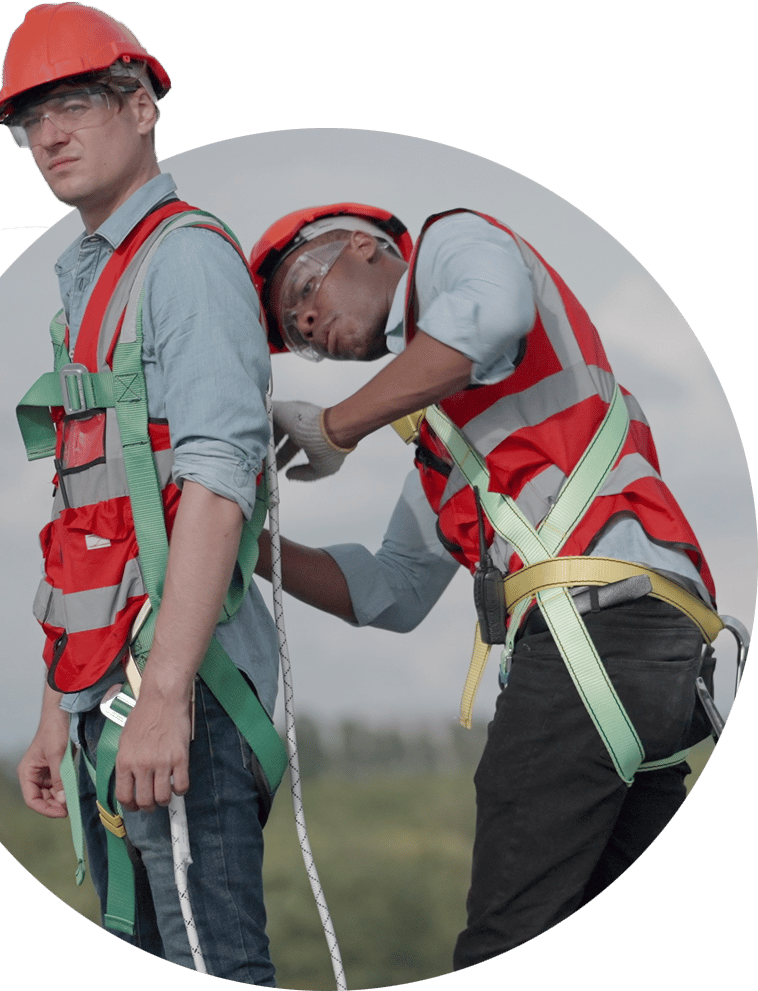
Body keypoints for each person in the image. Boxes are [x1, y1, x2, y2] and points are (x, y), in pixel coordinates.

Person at [249, 202, 719, 968]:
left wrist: (334, 426)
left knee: (505, 939)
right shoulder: (452, 448)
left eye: (305, 285)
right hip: (645, 651)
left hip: (598, 634)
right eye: (297, 332)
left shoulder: (455, 240)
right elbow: (390, 590)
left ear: (366, 248)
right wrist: (251, 544)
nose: (305, 318)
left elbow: (487, 318)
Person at [0, 4, 282, 982]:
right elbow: (90, 524)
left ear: (143, 105)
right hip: (107, 697)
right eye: (31, 120)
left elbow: (214, 482)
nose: (49, 136)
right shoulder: (88, 286)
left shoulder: (184, 260)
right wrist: (57, 708)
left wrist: (159, 698)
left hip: (178, 693)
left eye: (72, 104)